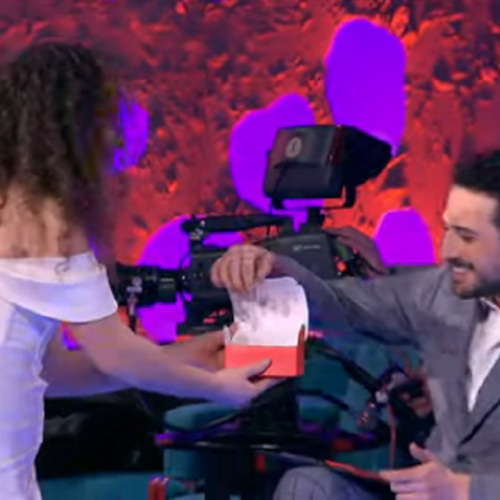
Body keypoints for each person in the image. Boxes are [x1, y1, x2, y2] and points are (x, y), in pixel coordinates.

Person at [0, 42, 273, 500]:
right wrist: (217, 387)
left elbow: (54, 371)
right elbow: (115, 356)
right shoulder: (46, 222)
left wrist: (179, 357)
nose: (116, 136)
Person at [211, 151, 500, 500]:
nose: (447, 250)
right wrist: (274, 268)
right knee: (306, 486)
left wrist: (466, 490)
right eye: (448, 230)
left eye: (467, 237)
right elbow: (346, 305)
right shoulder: (447, 293)